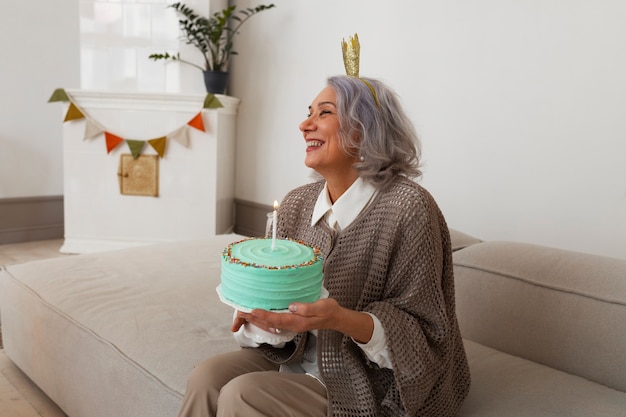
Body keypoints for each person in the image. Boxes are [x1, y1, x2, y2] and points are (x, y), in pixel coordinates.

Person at [177, 74, 470, 417]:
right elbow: (285, 322)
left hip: (367, 378)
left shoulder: (408, 208)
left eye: (324, 113)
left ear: (363, 129)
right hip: (296, 357)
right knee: (206, 377)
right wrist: (264, 318)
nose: (305, 125)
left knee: (244, 394)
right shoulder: (296, 204)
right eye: (308, 113)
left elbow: (425, 336)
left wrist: (340, 319)